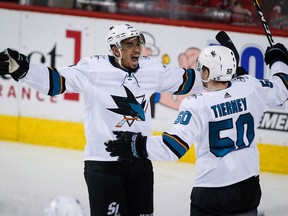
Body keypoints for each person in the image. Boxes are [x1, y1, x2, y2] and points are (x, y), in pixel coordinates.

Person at [0, 23, 202, 216]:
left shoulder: (152, 69)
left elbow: (187, 81)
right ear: (115, 50)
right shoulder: (93, 70)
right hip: (102, 165)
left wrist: (225, 75)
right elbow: (55, 81)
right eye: (129, 45)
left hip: (140, 162)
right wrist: (22, 70)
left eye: (138, 43)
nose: (136, 49)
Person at [105, 43, 288, 215]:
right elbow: (282, 88)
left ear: (208, 72)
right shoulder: (250, 86)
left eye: (202, 68)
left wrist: (135, 144)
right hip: (249, 187)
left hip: (213, 192)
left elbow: (172, 148)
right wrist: (278, 60)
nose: (200, 72)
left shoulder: (197, 104)